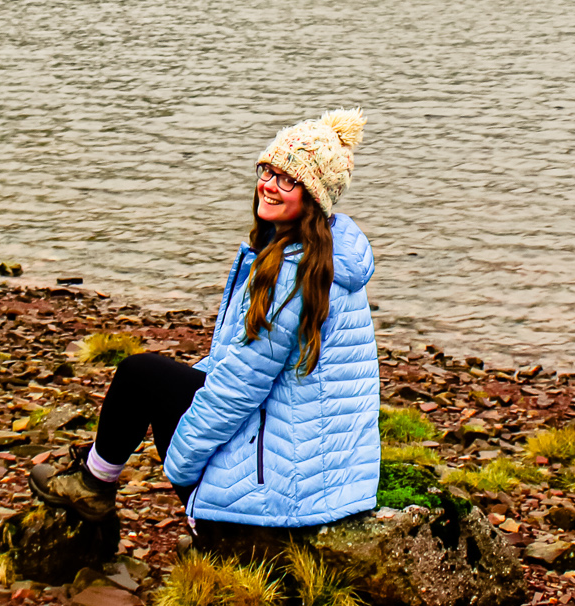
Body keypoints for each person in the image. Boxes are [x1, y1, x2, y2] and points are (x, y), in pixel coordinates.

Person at [29, 111, 379, 543]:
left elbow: (239, 388)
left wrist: (181, 466)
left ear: (314, 196)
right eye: (267, 170)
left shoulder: (292, 273)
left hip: (283, 494)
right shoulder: (330, 257)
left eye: (288, 180)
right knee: (171, 382)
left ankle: (97, 487)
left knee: (139, 376)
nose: (268, 185)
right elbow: (247, 365)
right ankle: (100, 479)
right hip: (328, 480)